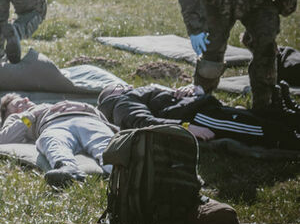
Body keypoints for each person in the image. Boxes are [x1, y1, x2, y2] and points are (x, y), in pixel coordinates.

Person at [98, 82, 300, 149]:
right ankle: (291, 138)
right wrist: (186, 127)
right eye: (118, 86)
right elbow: (144, 122)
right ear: (111, 95)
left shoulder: (136, 96)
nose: (125, 84)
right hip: (198, 118)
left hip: (201, 108)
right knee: (256, 129)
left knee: (251, 118)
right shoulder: (122, 104)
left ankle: (289, 116)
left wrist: (193, 90)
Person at [0, 94, 115, 188]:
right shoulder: (21, 118)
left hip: (87, 120)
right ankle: (68, 170)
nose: (26, 100)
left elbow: (103, 119)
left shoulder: (53, 105)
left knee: (104, 143)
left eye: (24, 99)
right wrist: (30, 116)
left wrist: (85, 107)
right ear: (11, 113)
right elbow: (4, 138)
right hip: (53, 126)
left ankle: (118, 170)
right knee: (50, 140)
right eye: (18, 103)